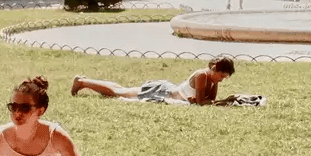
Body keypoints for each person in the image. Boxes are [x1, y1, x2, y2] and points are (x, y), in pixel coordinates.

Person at [71, 57, 236, 105]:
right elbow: (201, 102)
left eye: (225, 77)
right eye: (222, 76)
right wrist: (220, 102)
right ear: (214, 68)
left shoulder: (212, 80)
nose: (222, 80)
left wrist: (218, 98)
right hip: (164, 92)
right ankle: (82, 82)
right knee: (118, 93)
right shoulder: (202, 75)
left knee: (122, 90)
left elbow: (210, 100)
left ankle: (84, 81)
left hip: (170, 92)